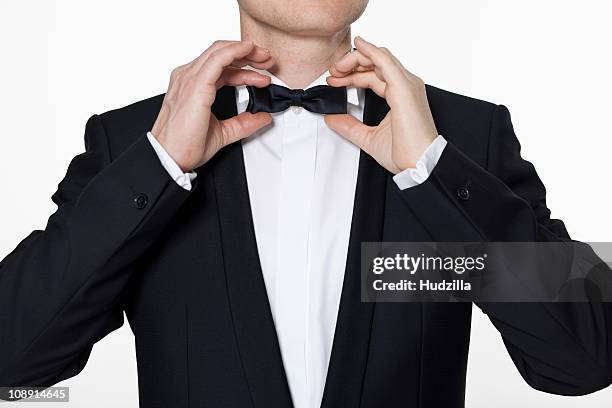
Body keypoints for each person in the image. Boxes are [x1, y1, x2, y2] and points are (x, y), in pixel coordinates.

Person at [1, 1, 610, 407]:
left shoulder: (466, 136)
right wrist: (159, 165)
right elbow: (13, 363)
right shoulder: (129, 142)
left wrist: (435, 172)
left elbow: (585, 361)